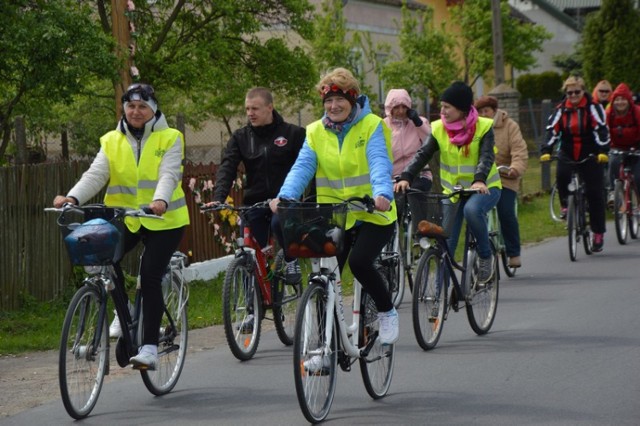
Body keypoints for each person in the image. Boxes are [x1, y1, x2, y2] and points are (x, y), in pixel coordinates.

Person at [53, 83, 190, 370]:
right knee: (101, 255)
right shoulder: (111, 140)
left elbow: (169, 174)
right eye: (131, 106)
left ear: (153, 109)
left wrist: (160, 200)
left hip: (164, 220)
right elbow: (96, 173)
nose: (136, 111)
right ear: (124, 109)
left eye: (142, 106)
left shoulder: (170, 137)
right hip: (126, 217)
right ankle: (123, 308)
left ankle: (150, 348)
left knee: (150, 276)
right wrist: (72, 197)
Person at [269, 67, 399, 348]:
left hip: (372, 214)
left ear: (353, 100)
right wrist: (286, 197)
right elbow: (303, 166)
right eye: (328, 101)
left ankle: (387, 311)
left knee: (360, 263)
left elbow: (379, 162)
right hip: (335, 217)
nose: (333, 106)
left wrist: (382, 194)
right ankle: (322, 347)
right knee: (324, 279)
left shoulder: (372, 125)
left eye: (340, 99)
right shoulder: (315, 131)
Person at [396, 81, 501, 284]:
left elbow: (486, 157)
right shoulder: (438, 129)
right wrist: (406, 176)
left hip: (484, 189)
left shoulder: (484, 127)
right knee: (446, 242)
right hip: (452, 191)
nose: (442, 111)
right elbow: (422, 155)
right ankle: (439, 296)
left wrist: (479, 180)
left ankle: (485, 255)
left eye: (447, 107)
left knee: (471, 211)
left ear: (461, 109)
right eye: (442, 106)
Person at [211, 87, 306, 291]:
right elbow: (227, 167)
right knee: (250, 254)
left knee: (278, 221)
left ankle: (290, 260)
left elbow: (308, 167)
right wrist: (219, 197)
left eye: (255, 108)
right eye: (247, 109)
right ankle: (253, 305)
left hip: (284, 201)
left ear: (270, 108)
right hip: (255, 202)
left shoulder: (293, 134)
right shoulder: (240, 137)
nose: (250, 113)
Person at [540, 76, 610, 252]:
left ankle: (598, 233)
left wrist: (602, 151)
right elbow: (552, 131)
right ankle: (565, 206)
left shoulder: (593, 108)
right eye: (569, 92)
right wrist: (546, 150)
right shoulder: (561, 110)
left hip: (591, 152)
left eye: (576, 92)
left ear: (583, 91)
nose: (573, 95)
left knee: (595, 192)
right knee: (562, 175)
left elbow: (601, 130)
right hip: (568, 150)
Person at [475, 95, 528, 268]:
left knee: (506, 211)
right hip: (483, 179)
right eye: (480, 112)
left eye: (487, 111)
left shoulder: (510, 126)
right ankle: (480, 251)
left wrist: (515, 168)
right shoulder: (476, 127)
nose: (484, 115)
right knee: (475, 212)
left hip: (505, 177)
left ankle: (513, 253)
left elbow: (519, 150)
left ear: (495, 111)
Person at [383, 88, 432, 220]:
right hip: (393, 178)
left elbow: (431, 141)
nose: (400, 111)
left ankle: (422, 235)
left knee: (415, 195)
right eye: (396, 107)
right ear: (389, 108)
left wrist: (418, 123)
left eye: (404, 107)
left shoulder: (419, 122)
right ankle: (394, 237)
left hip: (419, 174)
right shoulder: (382, 126)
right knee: (391, 206)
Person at [606, 82, 640, 202]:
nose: (620, 102)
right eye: (617, 99)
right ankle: (612, 191)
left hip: (636, 148)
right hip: (617, 148)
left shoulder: (637, 112)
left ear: (629, 100)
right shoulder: (609, 114)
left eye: (623, 99)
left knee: (638, 177)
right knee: (613, 162)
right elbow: (604, 132)